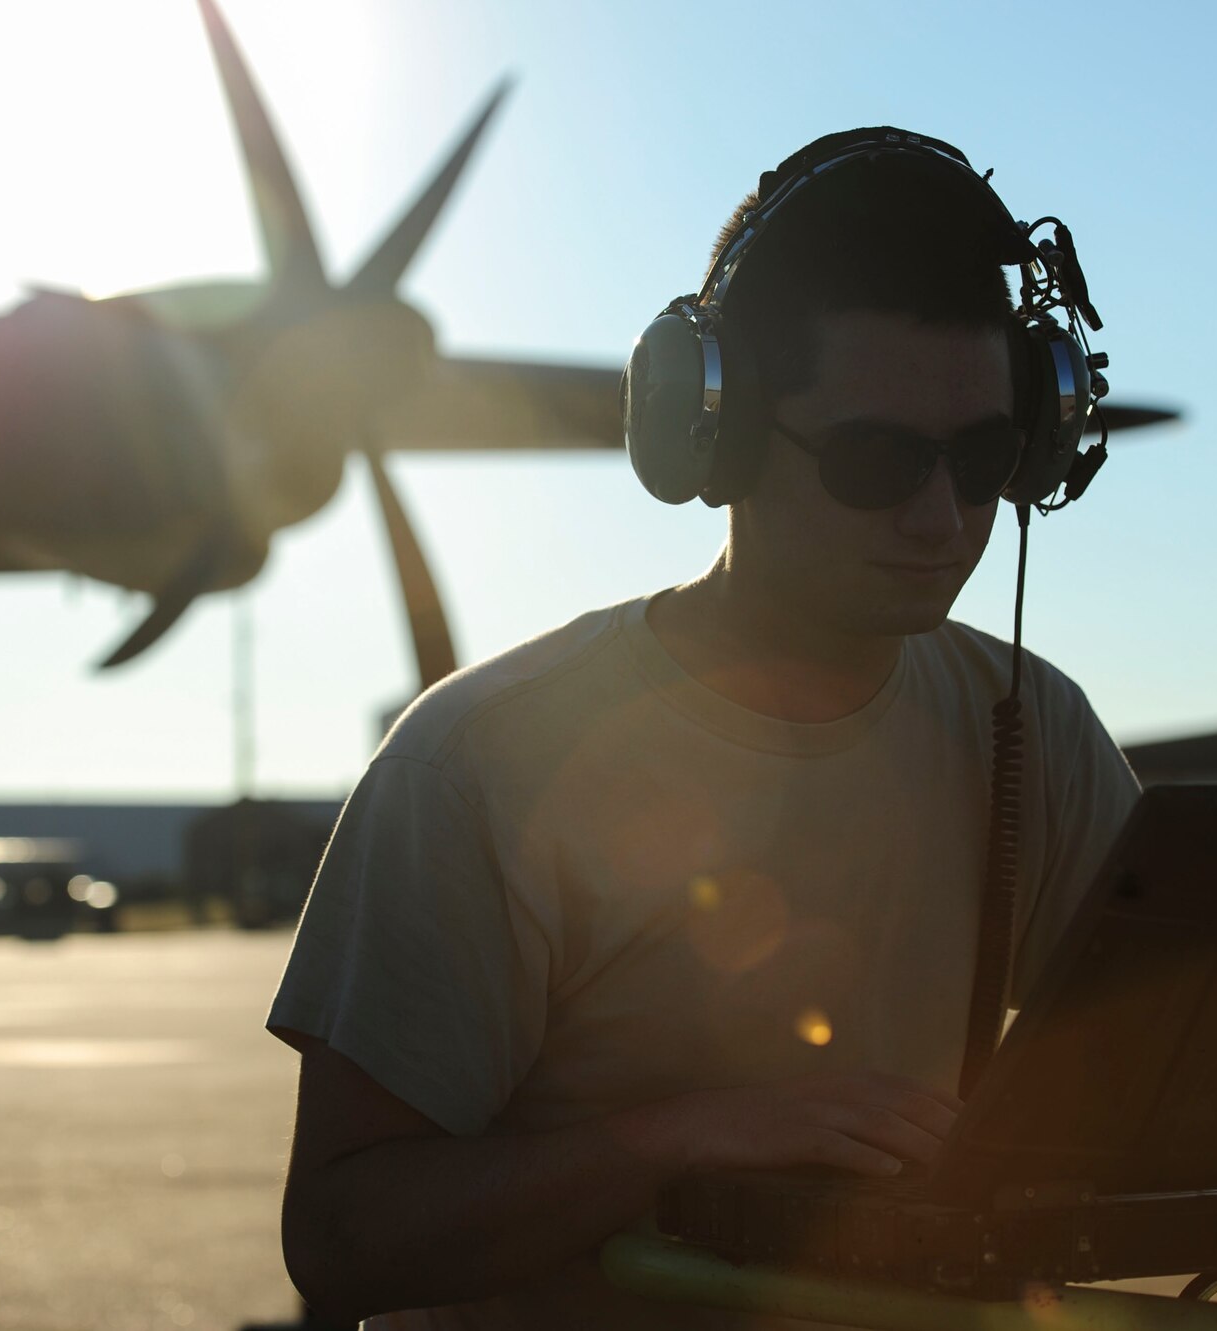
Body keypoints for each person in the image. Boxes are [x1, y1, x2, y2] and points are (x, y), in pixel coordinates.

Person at [266, 127, 1139, 1329]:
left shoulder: (1033, 726)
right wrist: (683, 1139)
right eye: (873, 461)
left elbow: (1172, 1076)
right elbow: (344, 1235)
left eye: (984, 458)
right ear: (705, 433)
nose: (941, 518)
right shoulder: (480, 760)